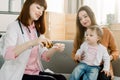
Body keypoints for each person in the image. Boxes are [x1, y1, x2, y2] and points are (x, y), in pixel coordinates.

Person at [2, 0, 66, 80]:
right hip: (18, 73)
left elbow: (44, 55)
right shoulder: (13, 27)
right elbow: (7, 54)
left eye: (42, 11)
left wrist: (55, 48)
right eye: (38, 7)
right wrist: (32, 42)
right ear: (28, 5)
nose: (40, 13)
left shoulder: (36, 30)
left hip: (34, 72)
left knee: (61, 78)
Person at [72, 5, 119, 80]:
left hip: (102, 67)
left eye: (85, 16)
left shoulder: (106, 32)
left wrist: (109, 58)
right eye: (80, 19)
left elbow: (116, 51)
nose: (83, 20)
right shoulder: (79, 36)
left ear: (91, 15)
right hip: (85, 65)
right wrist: (77, 57)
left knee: (103, 78)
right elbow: (74, 53)